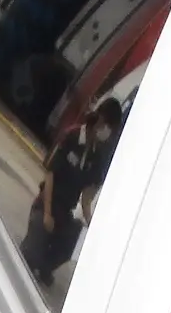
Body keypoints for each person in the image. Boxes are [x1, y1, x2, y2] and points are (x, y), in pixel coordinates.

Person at [21, 97, 124, 287]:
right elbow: (50, 174)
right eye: (109, 127)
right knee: (28, 257)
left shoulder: (96, 155)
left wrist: (93, 226)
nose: (108, 133)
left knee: (75, 234)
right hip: (46, 205)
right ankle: (33, 255)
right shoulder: (72, 135)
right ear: (101, 120)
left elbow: (86, 199)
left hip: (64, 212)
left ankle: (45, 266)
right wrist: (47, 213)